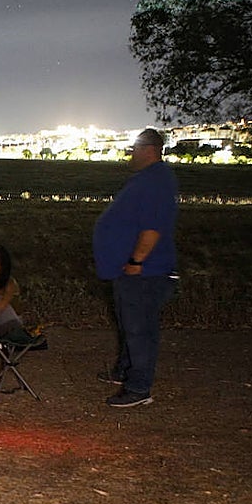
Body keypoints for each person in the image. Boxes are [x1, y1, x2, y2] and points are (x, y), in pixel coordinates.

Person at [92, 127, 178, 407]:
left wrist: (136, 261)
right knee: (130, 325)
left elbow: (152, 228)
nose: (130, 154)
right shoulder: (147, 179)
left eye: (134, 149)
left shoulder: (156, 181)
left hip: (145, 272)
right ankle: (125, 372)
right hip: (131, 270)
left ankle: (139, 387)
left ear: (148, 150)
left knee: (140, 330)